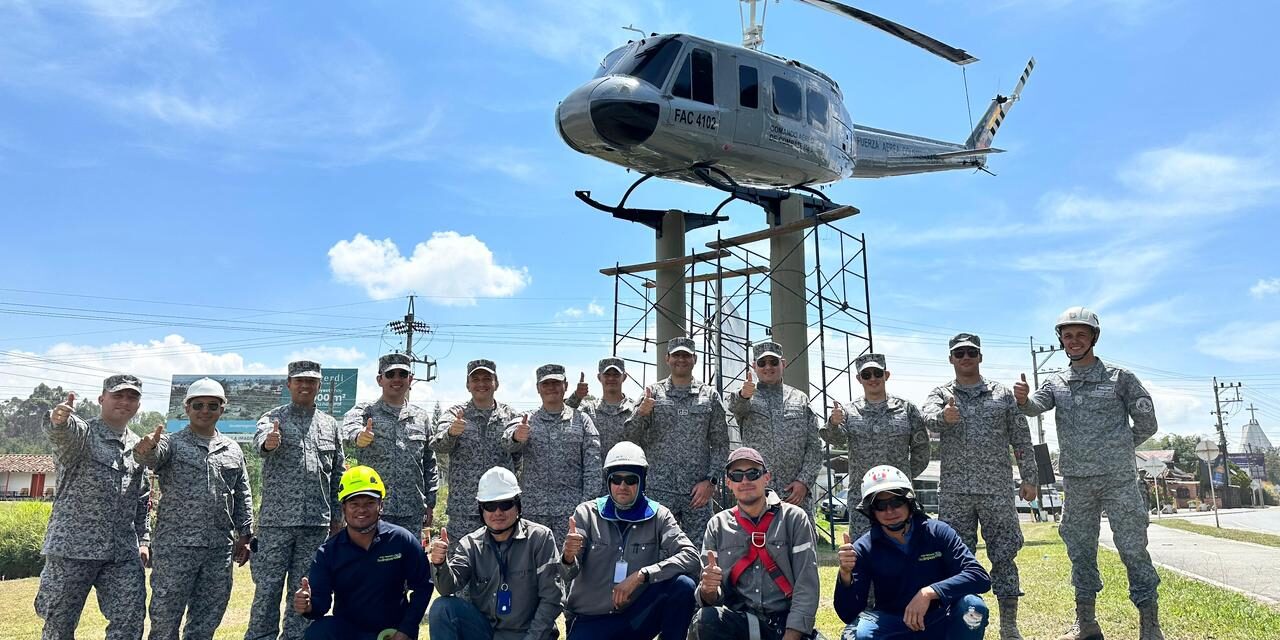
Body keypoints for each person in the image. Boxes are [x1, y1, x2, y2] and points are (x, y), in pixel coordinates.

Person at [1014, 307, 1164, 640]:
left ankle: (1150, 625)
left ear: (1094, 337)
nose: (1074, 340)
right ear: (1061, 340)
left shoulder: (1120, 377)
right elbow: (1035, 405)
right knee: (1079, 549)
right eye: (1068, 335)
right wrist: (1023, 401)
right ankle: (1086, 623)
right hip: (1078, 482)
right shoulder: (1056, 381)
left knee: (1132, 548)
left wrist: (1117, 446)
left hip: (1118, 479)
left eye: (1081, 334)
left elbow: (1148, 423)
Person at [921, 333, 1037, 640]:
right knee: (957, 559)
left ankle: (1009, 626)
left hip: (997, 490)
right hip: (956, 492)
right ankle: (961, 622)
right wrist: (944, 417)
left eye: (971, 352)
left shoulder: (1002, 395)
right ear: (951, 359)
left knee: (1004, 555)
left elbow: (1021, 438)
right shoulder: (941, 393)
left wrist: (1030, 477)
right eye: (959, 353)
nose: (966, 357)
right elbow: (925, 418)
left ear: (980, 356)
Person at [133, 378, 253, 640]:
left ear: (222, 409)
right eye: (198, 405)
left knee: (206, 622)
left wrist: (246, 534)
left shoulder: (232, 449)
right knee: (165, 622)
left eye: (212, 405)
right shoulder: (172, 444)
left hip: (218, 550)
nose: (205, 410)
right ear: (186, 408)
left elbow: (242, 493)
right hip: (176, 548)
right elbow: (149, 456)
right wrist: (145, 448)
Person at [36, 375, 151, 640]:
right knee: (59, 624)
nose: (125, 401)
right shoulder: (83, 433)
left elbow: (142, 497)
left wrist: (143, 540)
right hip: (72, 549)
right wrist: (58, 421)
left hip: (121, 553)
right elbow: (63, 435)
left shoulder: (138, 445)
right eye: (117, 395)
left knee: (130, 621)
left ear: (138, 404)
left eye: (132, 397)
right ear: (102, 399)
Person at [246, 360, 346, 640]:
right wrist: (269, 442)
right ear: (288, 384)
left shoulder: (330, 426)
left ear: (319, 386)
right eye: (299, 380)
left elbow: (338, 473)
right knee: (267, 589)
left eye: (311, 381)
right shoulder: (271, 418)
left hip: (316, 524)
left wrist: (337, 518)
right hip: (276, 524)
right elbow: (260, 444)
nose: (305, 385)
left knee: (305, 590)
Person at [833, 465, 991, 639]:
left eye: (896, 502)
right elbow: (848, 614)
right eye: (880, 505)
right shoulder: (865, 547)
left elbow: (979, 577)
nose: (890, 511)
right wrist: (845, 576)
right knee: (856, 634)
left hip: (939, 618)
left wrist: (929, 592)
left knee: (973, 607)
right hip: (893, 622)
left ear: (909, 502)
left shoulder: (938, 532)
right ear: (871, 511)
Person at [561, 442, 699, 640]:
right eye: (616, 479)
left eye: (631, 480)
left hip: (636, 618)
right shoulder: (586, 513)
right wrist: (568, 557)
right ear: (608, 481)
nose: (622, 486)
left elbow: (691, 556)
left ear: (641, 481)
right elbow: (567, 573)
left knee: (683, 585)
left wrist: (642, 575)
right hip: (590, 619)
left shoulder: (659, 515)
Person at [691, 447, 821, 640]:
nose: (745, 481)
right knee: (705, 620)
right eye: (736, 476)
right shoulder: (717, 525)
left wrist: (792, 634)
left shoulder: (794, 518)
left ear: (766, 478)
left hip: (786, 625)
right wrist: (708, 589)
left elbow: (807, 584)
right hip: (743, 623)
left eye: (753, 473)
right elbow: (712, 597)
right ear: (728, 483)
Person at [292, 466, 433, 640]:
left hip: (392, 634)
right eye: (354, 504)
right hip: (349, 632)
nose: (362, 509)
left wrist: (407, 629)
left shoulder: (401, 540)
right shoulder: (328, 552)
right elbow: (321, 604)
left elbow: (423, 586)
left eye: (369, 503)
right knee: (318, 632)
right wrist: (308, 606)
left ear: (381, 505)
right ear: (344, 508)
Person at [426, 467, 564, 640]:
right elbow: (447, 588)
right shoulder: (470, 544)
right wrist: (439, 564)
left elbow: (552, 599)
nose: (498, 512)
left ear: (518, 506)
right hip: (487, 632)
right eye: (490, 506)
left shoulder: (540, 538)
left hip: (529, 633)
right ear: (481, 510)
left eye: (505, 504)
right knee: (442, 607)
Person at [624, 337, 731, 545]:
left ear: (695, 359)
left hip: (697, 492)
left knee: (699, 551)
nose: (681, 359)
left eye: (686, 355)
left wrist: (711, 481)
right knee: (654, 549)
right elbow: (630, 437)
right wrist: (642, 414)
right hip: (658, 490)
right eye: (676, 355)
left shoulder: (709, 396)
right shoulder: (652, 394)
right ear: (667, 359)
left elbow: (720, 444)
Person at [821, 353, 930, 541]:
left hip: (899, 497)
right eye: (866, 375)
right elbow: (834, 439)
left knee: (903, 547)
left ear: (886, 375)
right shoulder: (848, 411)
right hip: (863, 500)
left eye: (877, 373)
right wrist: (833, 423)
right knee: (865, 552)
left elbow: (922, 450)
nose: (872, 379)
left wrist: (903, 477)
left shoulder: (907, 409)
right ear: (859, 379)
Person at [344, 353, 439, 535]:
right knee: (373, 562)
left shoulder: (421, 417)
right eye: (390, 374)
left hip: (412, 510)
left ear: (410, 379)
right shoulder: (366, 411)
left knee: (408, 562)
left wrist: (431, 502)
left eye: (402, 375)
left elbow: (430, 463)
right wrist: (359, 436)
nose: (397, 379)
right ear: (380, 379)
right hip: (373, 510)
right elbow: (349, 427)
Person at [727, 341, 824, 515]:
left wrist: (804, 481)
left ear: (783, 364)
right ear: (754, 366)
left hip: (794, 494)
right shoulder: (746, 396)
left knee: (800, 541)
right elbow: (736, 407)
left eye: (773, 362)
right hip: (757, 493)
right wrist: (744, 395)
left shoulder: (800, 399)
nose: (768, 367)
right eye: (762, 363)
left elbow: (815, 447)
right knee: (756, 540)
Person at [504, 363, 601, 536]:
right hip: (533, 512)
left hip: (571, 512)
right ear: (538, 388)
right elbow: (506, 443)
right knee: (533, 562)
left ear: (566, 386)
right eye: (545, 384)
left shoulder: (582, 421)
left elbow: (593, 470)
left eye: (556, 383)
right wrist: (516, 437)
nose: (551, 388)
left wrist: (584, 508)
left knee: (570, 561)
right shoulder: (526, 420)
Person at [430, 359, 520, 541]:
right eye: (475, 379)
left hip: (501, 509)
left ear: (496, 383)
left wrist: (518, 438)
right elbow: (438, 445)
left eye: (487, 379)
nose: (481, 384)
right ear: (467, 385)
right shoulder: (455, 414)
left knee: (502, 565)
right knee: (462, 565)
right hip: (464, 510)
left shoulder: (511, 415)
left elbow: (518, 453)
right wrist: (451, 433)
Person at [566, 357, 638, 459]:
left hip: (626, 473)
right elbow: (563, 417)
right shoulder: (589, 410)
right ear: (599, 377)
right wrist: (576, 396)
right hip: (595, 472)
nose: (611, 378)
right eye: (607, 374)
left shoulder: (635, 410)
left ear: (624, 377)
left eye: (616, 375)